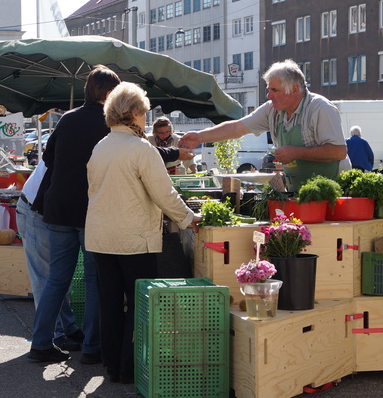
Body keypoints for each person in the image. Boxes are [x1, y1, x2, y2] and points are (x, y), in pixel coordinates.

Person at [87, 81, 201, 384]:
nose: (146, 118)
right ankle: (128, 368)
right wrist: (190, 218)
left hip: (100, 237)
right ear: (135, 113)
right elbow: (165, 195)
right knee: (138, 304)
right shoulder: (142, 150)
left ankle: (112, 365)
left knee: (110, 304)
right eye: (144, 112)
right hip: (134, 238)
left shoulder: (101, 146)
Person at [27, 65, 120, 363]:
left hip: (58, 209)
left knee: (57, 279)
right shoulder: (112, 124)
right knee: (94, 280)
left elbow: (48, 158)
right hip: (92, 211)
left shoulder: (67, 119)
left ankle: (40, 343)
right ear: (109, 93)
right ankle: (92, 348)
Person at [179, 59, 349, 192]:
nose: (269, 95)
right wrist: (200, 137)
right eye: (269, 89)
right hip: (299, 190)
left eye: (275, 90)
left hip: (332, 190)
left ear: (295, 89)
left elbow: (339, 151)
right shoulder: (271, 110)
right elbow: (237, 128)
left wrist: (297, 152)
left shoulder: (320, 108)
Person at [14, 158, 84, 353]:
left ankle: (67, 327)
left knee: (58, 278)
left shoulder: (72, 145)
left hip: (49, 212)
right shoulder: (72, 150)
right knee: (46, 280)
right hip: (37, 211)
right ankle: (54, 334)